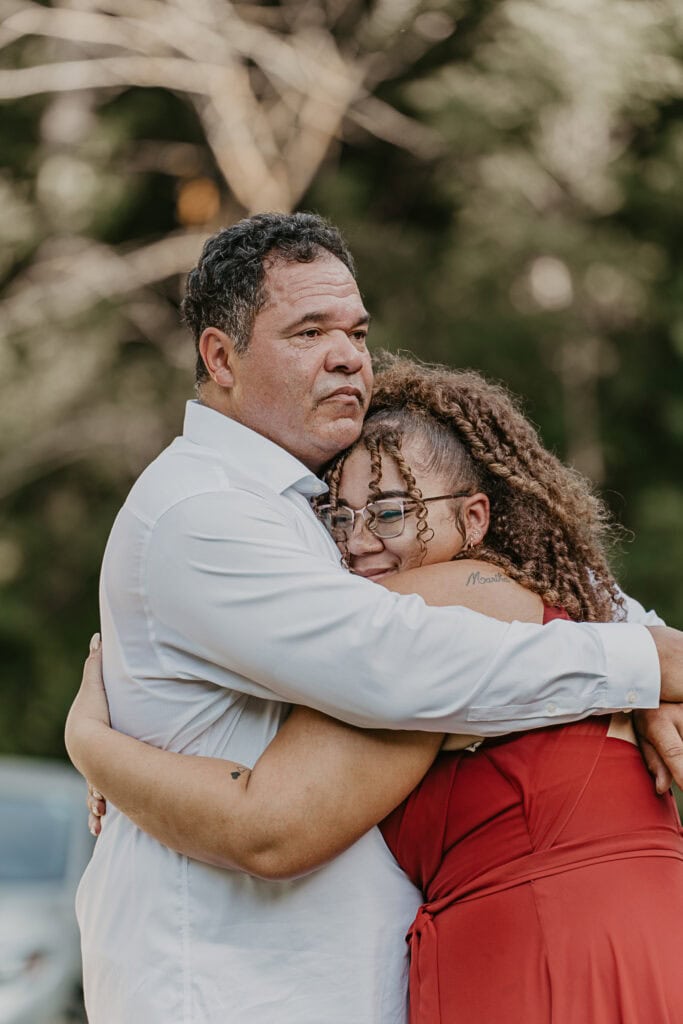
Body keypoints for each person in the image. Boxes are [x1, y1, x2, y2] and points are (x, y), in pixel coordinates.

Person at [66, 211, 683, 1024]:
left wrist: (652, 667)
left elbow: (503, 602)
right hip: (234, 987)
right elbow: (393, 664)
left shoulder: (320, 518)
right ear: (220, 357)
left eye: (356, 331)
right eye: (308, 331)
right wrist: (646, 665)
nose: (346, 355)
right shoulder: (206, 512)